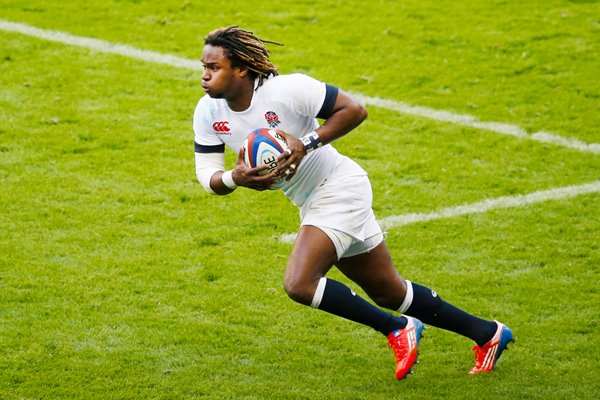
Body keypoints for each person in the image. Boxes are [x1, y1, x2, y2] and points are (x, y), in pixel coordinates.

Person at [193, 26, 513, 380]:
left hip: (339, 187)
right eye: (203, 67)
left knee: (299, 284)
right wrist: (234, 179)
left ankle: (396, 329)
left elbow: (353, 110)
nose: (205, 76)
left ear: (241, 69)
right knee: (388, 290)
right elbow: (208, 176)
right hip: (309, 198)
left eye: (214, 67)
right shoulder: (208, 113)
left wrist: (306, 142)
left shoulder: (287, 89)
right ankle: (488, 334)